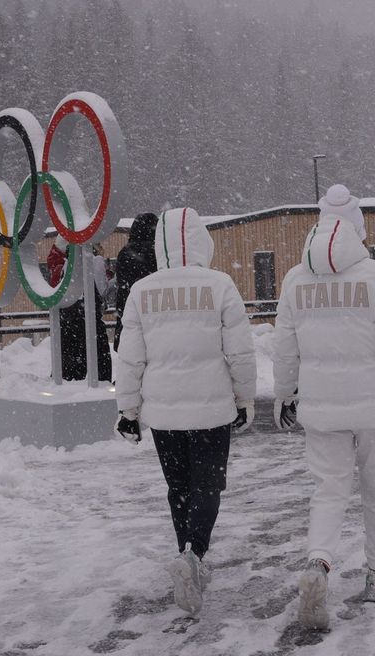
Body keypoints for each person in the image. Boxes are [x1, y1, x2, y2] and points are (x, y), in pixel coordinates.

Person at [273, 188, 375, 631]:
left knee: (328, 490)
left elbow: (284, 349)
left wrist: (285, 393)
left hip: (322, 409)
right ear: (358, 229)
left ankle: (318, 564)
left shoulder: (293, 280)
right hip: (374, 409)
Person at [113, 207, 256, 617]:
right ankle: (195, 554)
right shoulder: (220, 285)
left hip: (163, 412)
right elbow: (240, 352)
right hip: (212, 408)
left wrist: (129, 408)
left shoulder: (143, 290)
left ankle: (187, 554)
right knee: (208, 484)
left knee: (178, 487)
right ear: (201, 240)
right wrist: (244, 398)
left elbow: (130, 357)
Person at [47, 235, 113, 382]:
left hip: (67, 323)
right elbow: (102, 289)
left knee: (69, 372)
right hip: (91, 322)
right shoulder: (94, 261)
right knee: (100, 367)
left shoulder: (63, 266)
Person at [113, 213, 159, 351]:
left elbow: (122, 287)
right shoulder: (158, 252)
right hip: (155, 315)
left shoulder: (125, 253)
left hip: (130, 312)